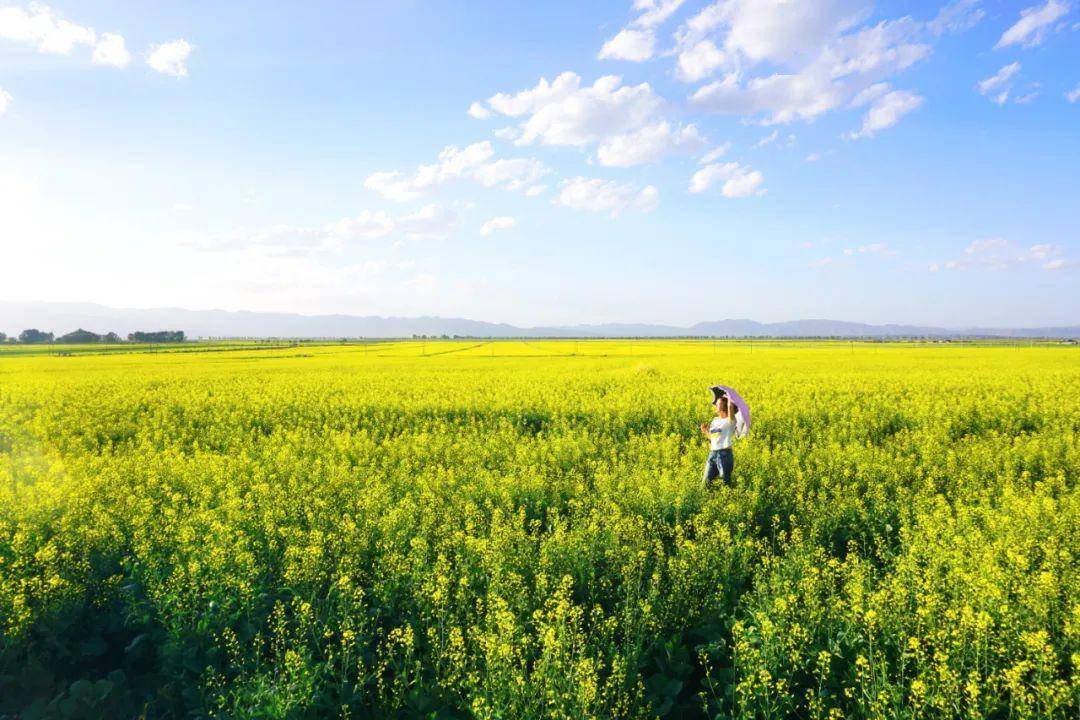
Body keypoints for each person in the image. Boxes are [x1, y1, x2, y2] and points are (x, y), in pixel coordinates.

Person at [700, 392, 738, 486]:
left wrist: (729, 398)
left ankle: (727, 500)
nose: (715, 405)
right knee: (705, 484)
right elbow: (714, 438)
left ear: (725, 406)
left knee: (726, 484)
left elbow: (730, 408)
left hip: (724, 455)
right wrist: (706, 432)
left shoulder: (730, 421)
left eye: (718, 403)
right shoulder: (715, 420)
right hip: (712, 454)